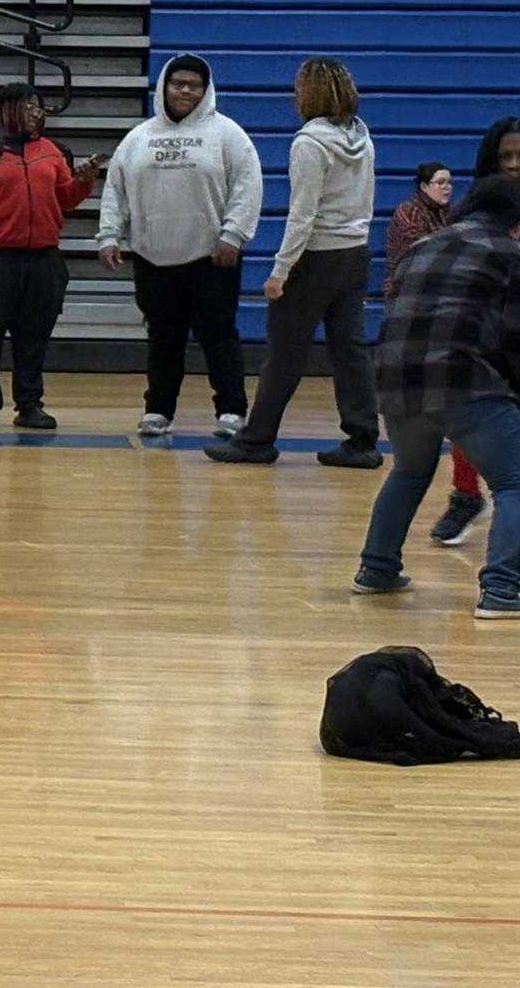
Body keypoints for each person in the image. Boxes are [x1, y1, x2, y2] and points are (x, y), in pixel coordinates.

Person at [351, 175, 520, 619]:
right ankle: (502, 590)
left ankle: (376, 569)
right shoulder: (509, 253)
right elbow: (513, 337)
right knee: (515, 482)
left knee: (408, 471)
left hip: (393, 380)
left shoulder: (421, 246)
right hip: (461, 380)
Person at [207, 58, 380, 467]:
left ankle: (256, 440)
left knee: (284, 352)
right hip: (355, 254)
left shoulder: (308, 143)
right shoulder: (362, 137)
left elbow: (303, 215)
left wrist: (279, 272)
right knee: (351, 350)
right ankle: (363, 439)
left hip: (316, 258)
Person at [97, 54, 262, 438]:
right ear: (163, 87)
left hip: (211, 257)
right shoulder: (138, 138)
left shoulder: (228, 134)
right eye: (178, 83)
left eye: (194, 85)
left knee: (218, 336)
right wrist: (109, 235)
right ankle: (157, 410)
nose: (185, 90)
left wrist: (233, 234)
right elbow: (115, 191)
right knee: (163, 339)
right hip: (153, 258)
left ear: (206, 90)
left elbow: (247, 187)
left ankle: (232, 411)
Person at [0, 82, 97, 431]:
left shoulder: (50, 150)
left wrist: (82, 182)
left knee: (34, 336)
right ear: (3, 110)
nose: (36, 112)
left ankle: (30, 403)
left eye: (39, 106)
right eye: (27, 106)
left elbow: (64, 200)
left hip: (43, 259)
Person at [385, 162, 483, 544]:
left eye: (449, 182)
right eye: (439, 182)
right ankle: (466, 494)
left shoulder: (454, 219)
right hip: (426, 320)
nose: (446, 188)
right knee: (462, 414)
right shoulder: (412, 216)